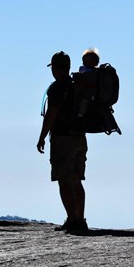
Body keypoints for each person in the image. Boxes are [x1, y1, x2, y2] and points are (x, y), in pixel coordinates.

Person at [37, 51, 89, 233]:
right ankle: (80, 219)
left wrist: (42, 137)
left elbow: (51, 114)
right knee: (76, 179)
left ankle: (72, 220)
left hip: (63, 138)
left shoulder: (57, 88)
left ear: (56, 68)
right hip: (80, 137)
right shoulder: (79, 85)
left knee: (64, 180)